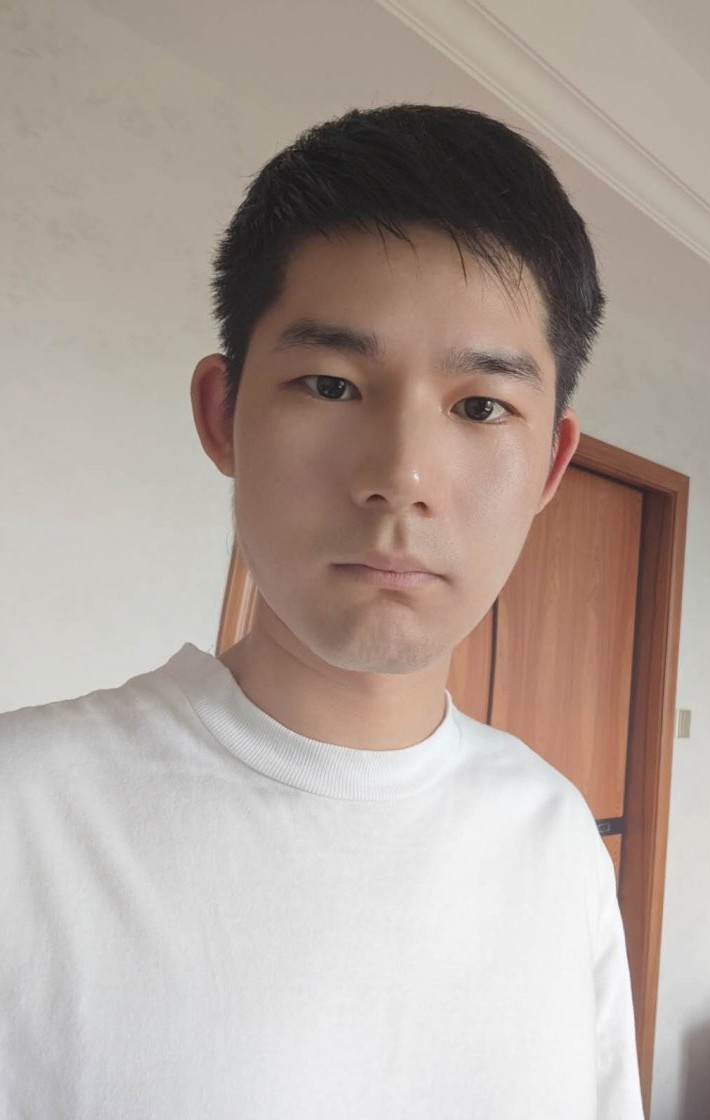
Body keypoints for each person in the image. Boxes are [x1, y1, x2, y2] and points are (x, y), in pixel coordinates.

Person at [0, 105, 644, 1118]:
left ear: (551, 465)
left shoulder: (556, 840)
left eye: (480, 406)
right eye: (332, 384)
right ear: (222, 415)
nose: (402, 476)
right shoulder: (27, 818)